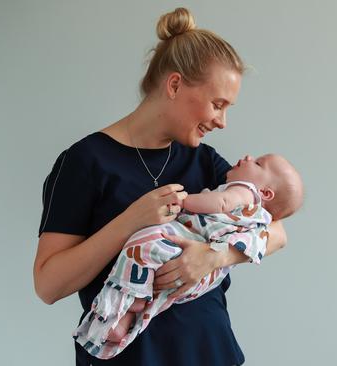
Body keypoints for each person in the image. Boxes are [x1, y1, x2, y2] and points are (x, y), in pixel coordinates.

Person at [33, 7, 289, 366]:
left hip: (211, 353)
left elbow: (276, 231)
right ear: (174, 85)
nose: (222, 121)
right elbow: (48, 284)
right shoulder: (85, 162)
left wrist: (215, 256)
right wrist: (130, 221)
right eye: (218, 104)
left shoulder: (205, 162)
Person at [73, 153, 303, 359]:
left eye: (258, 163)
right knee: (156, 288)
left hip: (191, 259)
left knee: (142, 246)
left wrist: (184, 203)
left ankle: (117, 316)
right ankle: (126, 315)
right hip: (199, 288)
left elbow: (223, 204)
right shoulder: (89, 158)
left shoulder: (244, 191)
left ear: (265, 193)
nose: (248, 156)